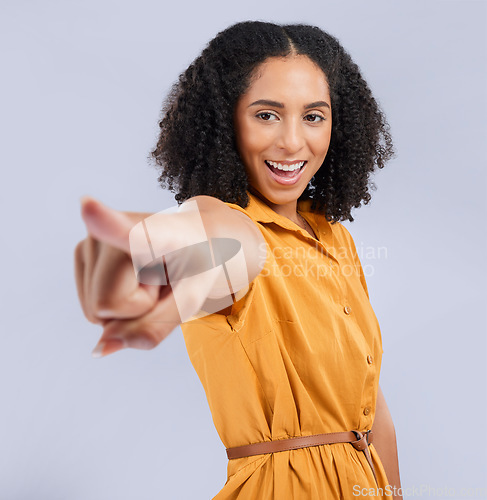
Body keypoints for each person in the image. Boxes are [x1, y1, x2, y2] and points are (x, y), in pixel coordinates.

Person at [75, 21, 402, 499]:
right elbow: (176, 245)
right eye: (266, 115)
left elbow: (374, 414)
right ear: (225, 121)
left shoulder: (338, 241)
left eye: (314, 116)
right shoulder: (222, 224)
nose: (292, 142)